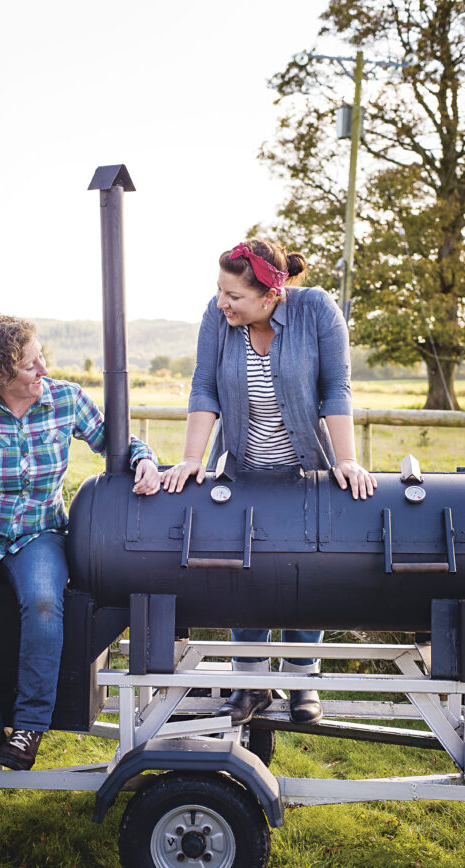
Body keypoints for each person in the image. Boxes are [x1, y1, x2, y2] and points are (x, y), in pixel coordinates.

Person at [161, 239, 376, 726]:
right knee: (244, 572)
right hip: (243, 472)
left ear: (270, 294)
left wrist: (346, 460)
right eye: (220, 291)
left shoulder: (316, 310)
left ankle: (303, 680)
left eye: (233, 295)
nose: (222, 303)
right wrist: (192, 458)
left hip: (305, 473)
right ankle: (250, 684)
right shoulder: (218, 320)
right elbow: (203, 386)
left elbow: (335, 387)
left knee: (307, 574)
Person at [0, 314, 160, 770]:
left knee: (42, 602)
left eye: (41, 358)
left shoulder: (66, 399)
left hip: (41, 532)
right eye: (31, 365)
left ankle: (28, 729)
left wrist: (144, 460)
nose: (44, 370)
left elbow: (114, 441)